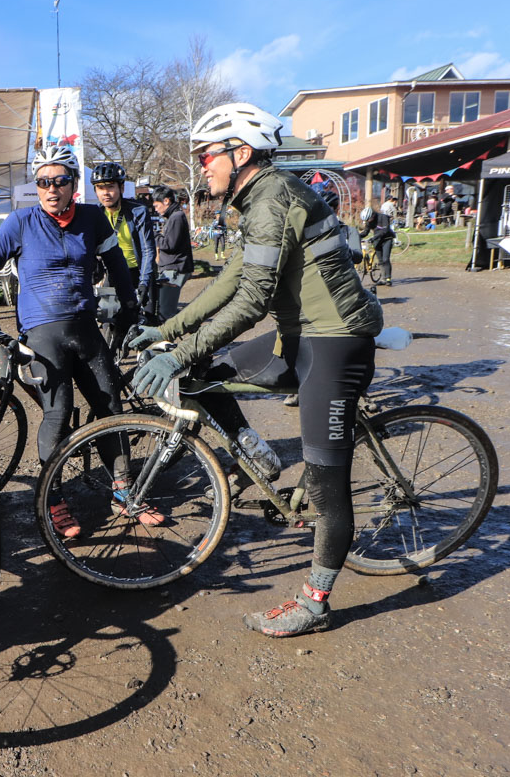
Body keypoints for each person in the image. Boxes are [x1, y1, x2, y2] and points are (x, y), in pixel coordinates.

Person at [128, 102, 383, 638]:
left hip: (335, 342)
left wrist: (177, 350)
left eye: (206, 155)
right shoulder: (257, 199)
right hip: (300, 335)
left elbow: (250, 301)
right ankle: (255, 451)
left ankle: (315, 603)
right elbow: (227, 281)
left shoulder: (273, 199)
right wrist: (171, 332)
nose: (201, 166)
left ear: (240, 153)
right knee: (203, 372)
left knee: (326, 489)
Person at [0, 144, 144, 538]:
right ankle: (54, 501)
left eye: (60, 181)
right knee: (59, 413)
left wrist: (131, 305)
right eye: (43, 182)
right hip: (41, 332)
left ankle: (125, 492)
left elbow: (117, 262)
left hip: (85, 329)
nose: (51, 189)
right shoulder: (20, 222)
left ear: (73, 184)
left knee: (111, 409)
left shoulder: (92, 218)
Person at [90, 163, 155, 320]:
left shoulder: (137, 211)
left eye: (111, 187)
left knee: (145, 323)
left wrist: (144, 282)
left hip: (137, 274)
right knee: (107, 322)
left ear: (122, 188)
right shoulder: (95, 214)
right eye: (100, 188)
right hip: (111, 275)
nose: (106, 193)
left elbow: (148, 249)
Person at [150, 185, 193, 321]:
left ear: (166, 201)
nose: (156, 210)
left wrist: (154, 235)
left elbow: (169, 245)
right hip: (173, 268)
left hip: (174, 269)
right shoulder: (175, 216)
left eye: (157, 206)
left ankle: (168, 340)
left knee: (166, 312)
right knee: (165, 309)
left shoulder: (176, 217)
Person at [359, 203, 396, 286]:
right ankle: (383, 279)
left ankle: (388, 278)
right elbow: (366, 232)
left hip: (387, 239)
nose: (368, 222)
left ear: (372, 215)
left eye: (369, 219)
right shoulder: (369, 221)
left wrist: (374, 237)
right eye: (367, 221)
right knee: (380, 260)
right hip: (377, 241)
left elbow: (385, 230)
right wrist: (357, 235)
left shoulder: (383, 217)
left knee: (386, 259)